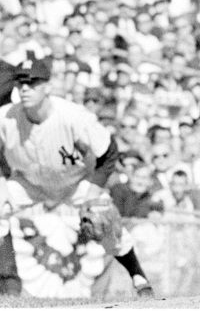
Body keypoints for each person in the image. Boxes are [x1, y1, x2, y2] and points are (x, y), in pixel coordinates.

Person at [0, 57, 155, 297]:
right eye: (21, 83)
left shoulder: (73, 116)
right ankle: (5, 286)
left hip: (75, 183)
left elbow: (109, 151)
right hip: (28, 183)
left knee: (102, 215)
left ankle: (138, 276)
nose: (26, 88)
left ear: (48, 86)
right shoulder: (6, 117)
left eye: (33, 82)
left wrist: (93, 193)